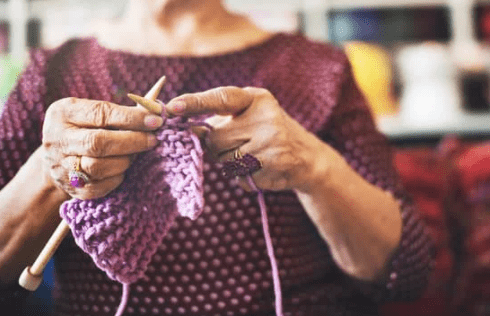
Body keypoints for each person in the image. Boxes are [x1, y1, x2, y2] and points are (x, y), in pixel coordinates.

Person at [0, 0, 433, 315]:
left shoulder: (316, 69)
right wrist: (56, 173)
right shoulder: (53, 75)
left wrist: (312, 166)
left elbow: (407, 269)